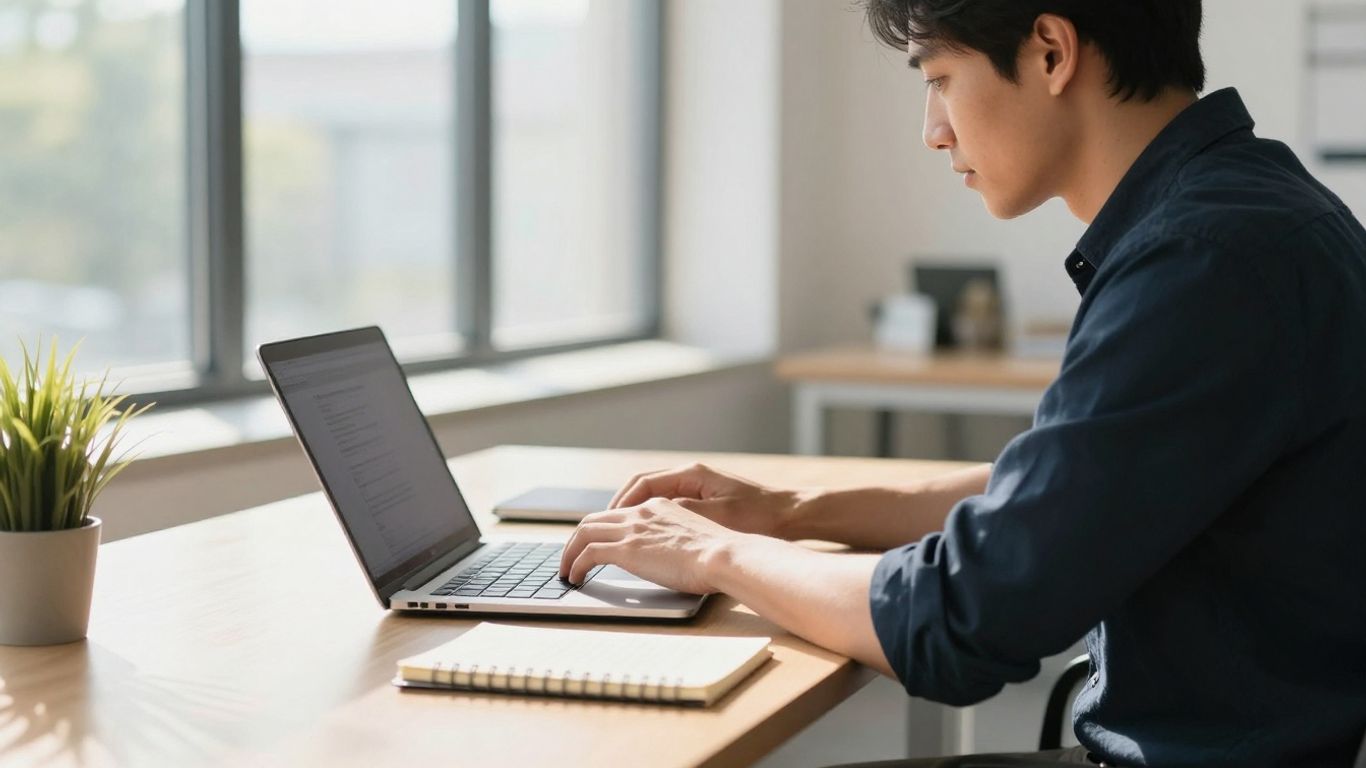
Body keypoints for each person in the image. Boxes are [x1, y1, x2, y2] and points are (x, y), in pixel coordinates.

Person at [557, 1, 1366, 765]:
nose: (932, 131)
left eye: (938, 78)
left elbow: (961, 617)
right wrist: (790, 513)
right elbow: (1062, 496)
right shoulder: (1246, 215)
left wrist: (718, 555)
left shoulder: (1205, 261)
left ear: (1051, 51)